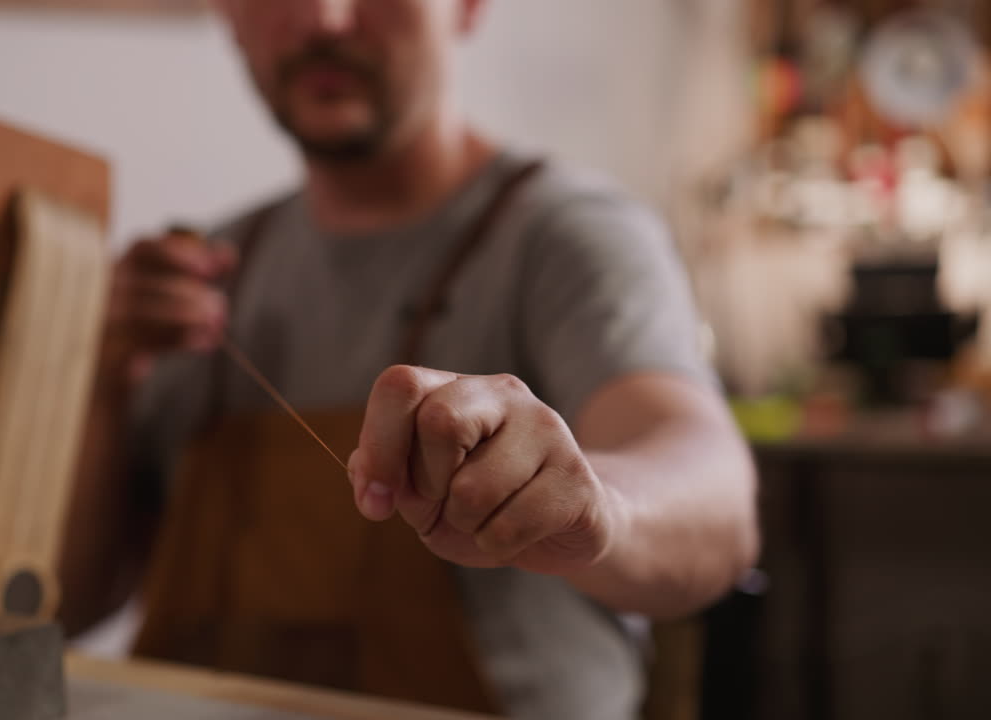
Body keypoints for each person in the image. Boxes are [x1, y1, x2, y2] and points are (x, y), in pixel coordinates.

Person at [59, 1, 759, 717]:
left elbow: (718, 510)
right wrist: (104, 381)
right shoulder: (202, 275)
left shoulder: (568, 239)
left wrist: (594, 506)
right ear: (229, 16)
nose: (325, 20)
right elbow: (61, 605)